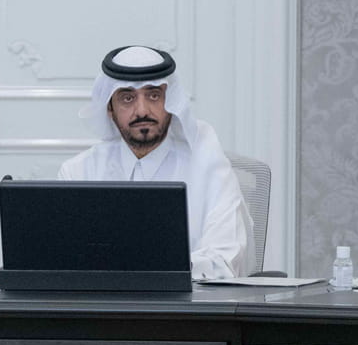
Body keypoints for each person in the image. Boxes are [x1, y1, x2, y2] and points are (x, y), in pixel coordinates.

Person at [58, 45, 252, 280]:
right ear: (110, 108)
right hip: (102, 302)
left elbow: (224, 262)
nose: (142, 111)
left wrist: (141, 271)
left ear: (170, 101)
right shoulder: (79, 172)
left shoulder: (209, 167)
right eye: (127, 98)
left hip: (186, 303)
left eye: (153, 95)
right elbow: (64, 263)